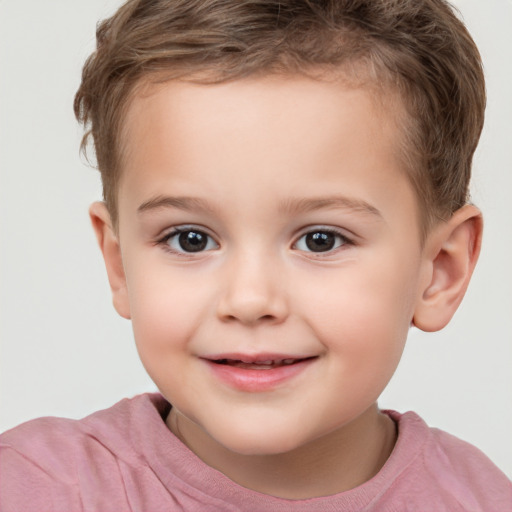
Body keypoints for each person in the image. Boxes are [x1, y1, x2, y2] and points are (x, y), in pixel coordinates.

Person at [1, 0, 511, 510]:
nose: (248, 300)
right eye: (190, 238)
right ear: (119, 264)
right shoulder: (36, 489)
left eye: (321, 239)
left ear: (441, 270)